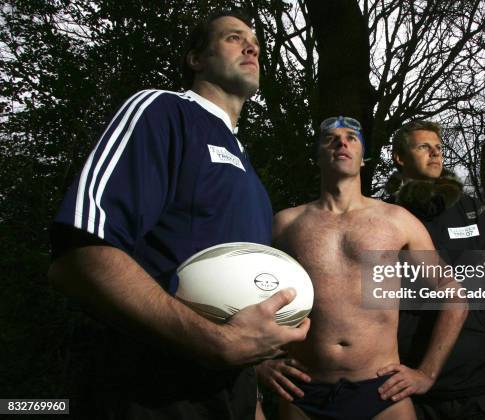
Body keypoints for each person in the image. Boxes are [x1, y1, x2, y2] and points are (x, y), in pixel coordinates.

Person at [47, 9, 309, 420]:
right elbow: (79, 254)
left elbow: (231, 306)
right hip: (148, 392)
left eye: (254, 41)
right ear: (195, 59)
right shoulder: (163, 111)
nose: (251, 45)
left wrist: (249, 387)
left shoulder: (249, 174)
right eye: (232, 37)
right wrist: (214, 343)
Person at [257, 116, 467, 419]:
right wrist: (260, 362)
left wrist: (427, 373)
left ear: (363, 159)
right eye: (331, 138)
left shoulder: (397, 220)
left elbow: (453, 293)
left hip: (382, 392)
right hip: (303, 390)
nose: (342, 142)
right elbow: (246, 295)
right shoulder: (285, 224)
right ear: (317, 155)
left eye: (351, 138)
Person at [387, 120, 485, 419]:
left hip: (482, 384)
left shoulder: (474, 212)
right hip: (408, 385)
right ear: (400, 157)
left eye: (439, 148)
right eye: (424, 147)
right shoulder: (382, 218)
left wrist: (477, 331)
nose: (435, 154)